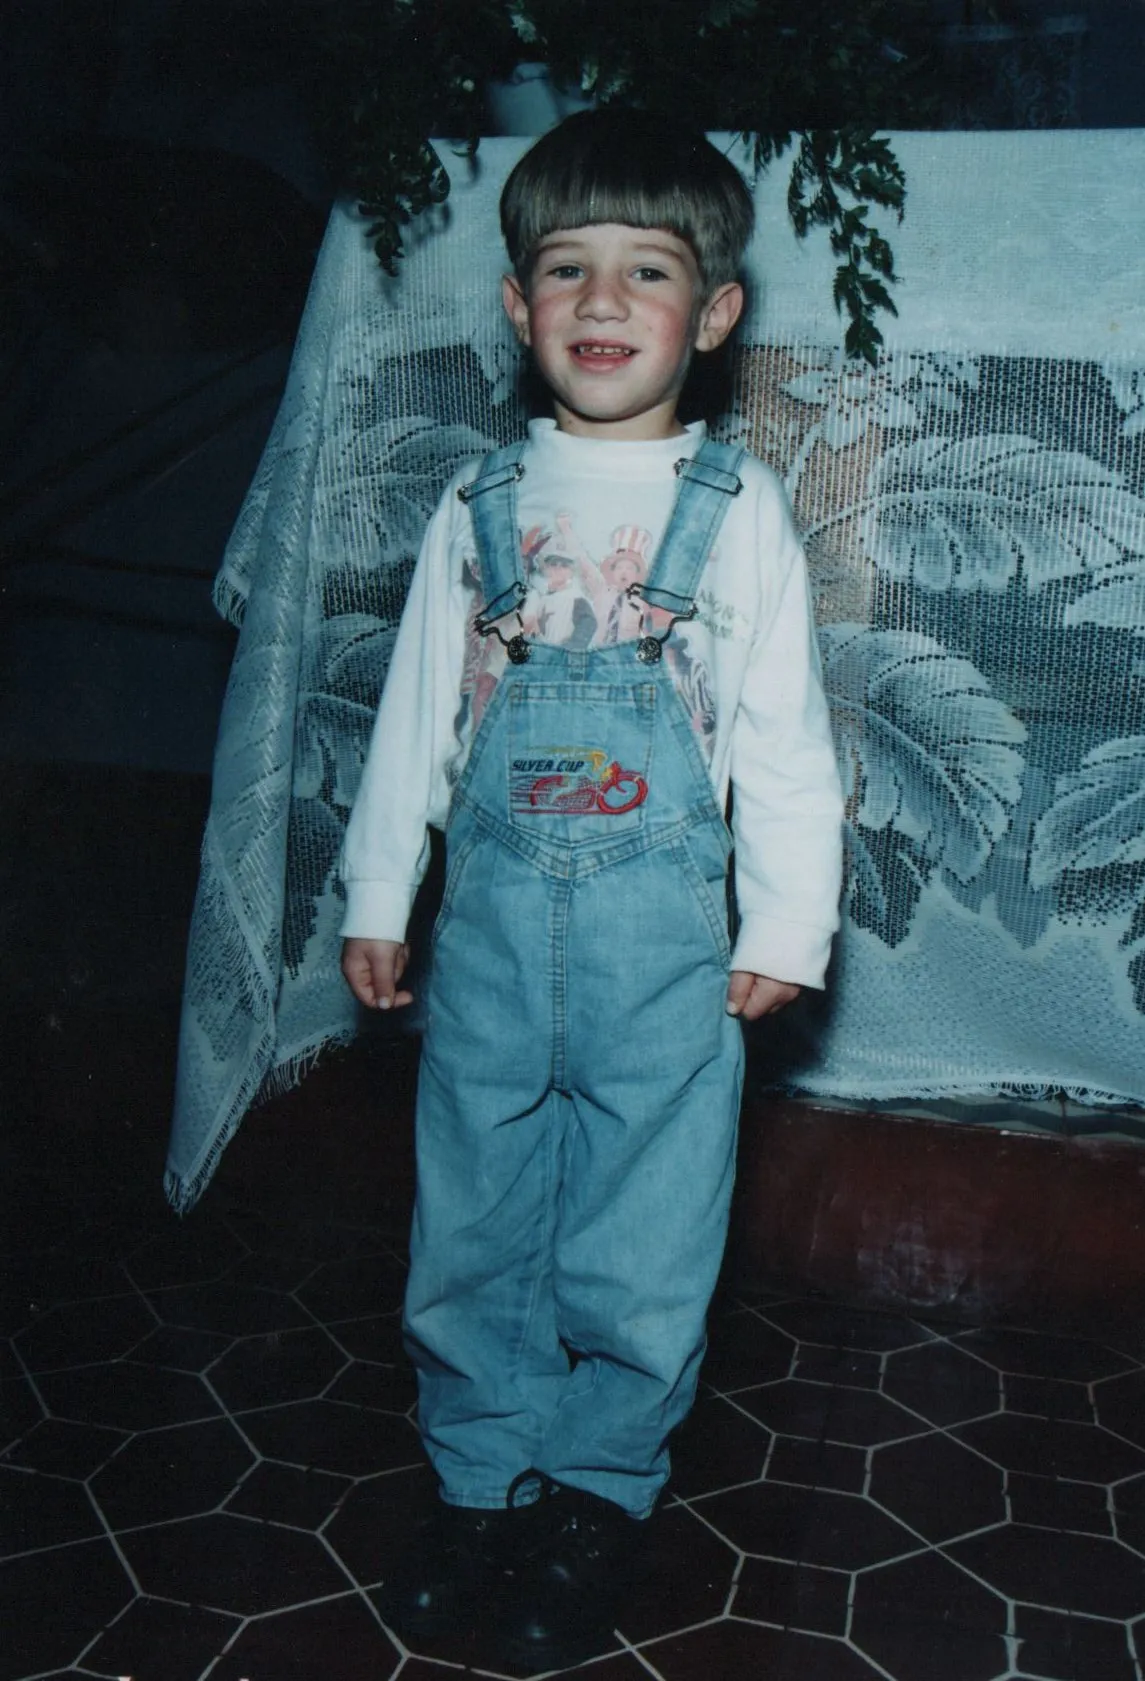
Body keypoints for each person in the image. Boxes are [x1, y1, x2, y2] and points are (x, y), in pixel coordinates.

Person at [339, 108, 844, 1670]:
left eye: (647, 271)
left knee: (645, 1222)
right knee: (476, 1208)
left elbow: (783, 735)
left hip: (662, 951)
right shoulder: (477, 504)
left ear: (714, 316)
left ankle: (597, 1491)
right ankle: (481, 1476)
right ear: (516, 304)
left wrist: (787, 922)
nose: (605, 303)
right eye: (568, 269)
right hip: (488, 933)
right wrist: (378, 890)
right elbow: (419, 713)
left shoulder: (736, 510)